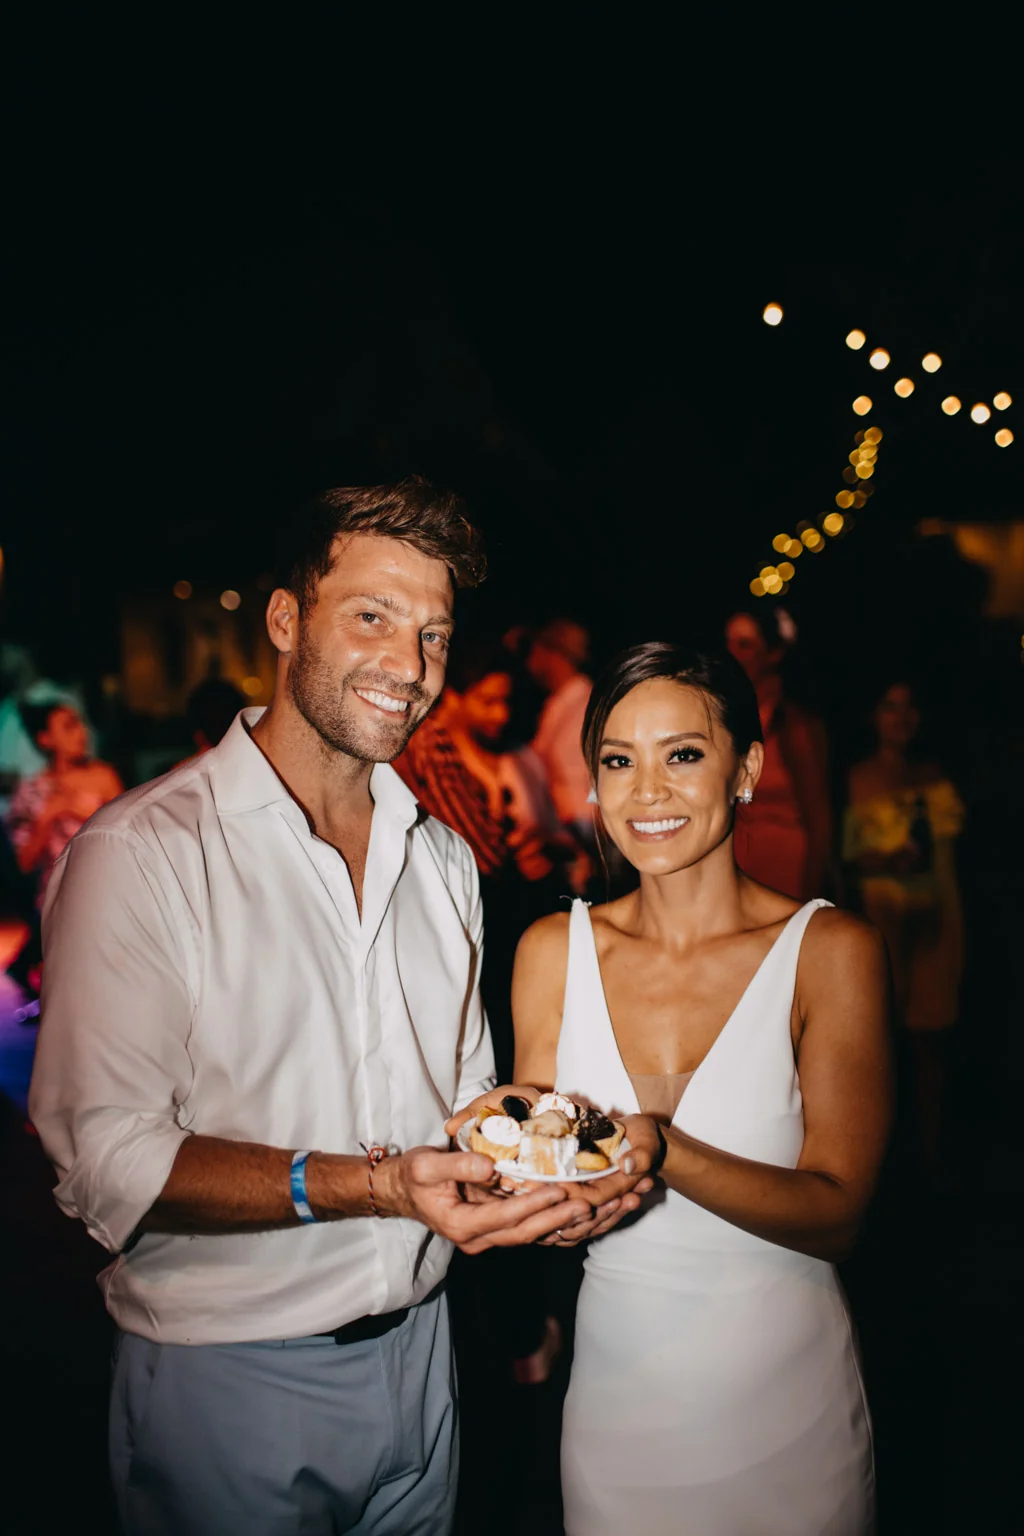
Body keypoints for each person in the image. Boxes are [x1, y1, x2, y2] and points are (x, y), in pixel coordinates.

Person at [29, 478, 602, 1536]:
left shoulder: (442, 859)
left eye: (434, 634)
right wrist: (372, 1187)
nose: (410, 666)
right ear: (287, 620)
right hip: (230, 1382)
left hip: (427, 1360)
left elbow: (467, 1102)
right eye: (372, 616)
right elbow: (105, 1162)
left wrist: (556, 1173)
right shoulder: (144, 853)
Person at [511, 641, 891, 1535]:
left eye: (682, 754)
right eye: (618, 761)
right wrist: (525, 1198)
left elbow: (839, 1215)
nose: (647, 792)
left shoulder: (830, 952)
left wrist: (662, 1150)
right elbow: (538, 1173)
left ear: (746, 770)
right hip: (618, 1414)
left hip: (788, 1414)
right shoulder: (552, 952)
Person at [844, 679, 964, 1172]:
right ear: (873, 716)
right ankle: (883, 1160)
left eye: (910, 706)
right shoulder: (855, 777)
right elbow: (842, 859)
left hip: (938, 917)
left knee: (932, 1039)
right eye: (890, 706)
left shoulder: (936, 773)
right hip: (884, 918)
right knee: (882, 1042)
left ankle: (934, 1155)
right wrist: (884, 861)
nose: (902, 717)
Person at [725, 607, 832, 899]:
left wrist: (811, 901)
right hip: (737, 874)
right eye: (729, 644)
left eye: (745, 645)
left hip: (784, 873)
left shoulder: (794, 726)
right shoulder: (727, 718)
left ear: (773, 654)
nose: (732, 654)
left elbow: (820, 823)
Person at [6, 702, 122, 904]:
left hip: (104, 888)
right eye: (69, 726)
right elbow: (24, 863)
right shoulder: (31, 791)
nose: (81, 732)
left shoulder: (103, 776)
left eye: (81, 724)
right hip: (57, 897)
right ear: (45, 739)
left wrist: (83, 812)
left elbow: (125, 834)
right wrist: (49, 815)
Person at [526, 619, 593, 870]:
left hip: (584, 835)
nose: (529, 661)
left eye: (533, 650)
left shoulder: (587, 706)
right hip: (564, 834)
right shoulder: (558, 705)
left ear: (551, 652)